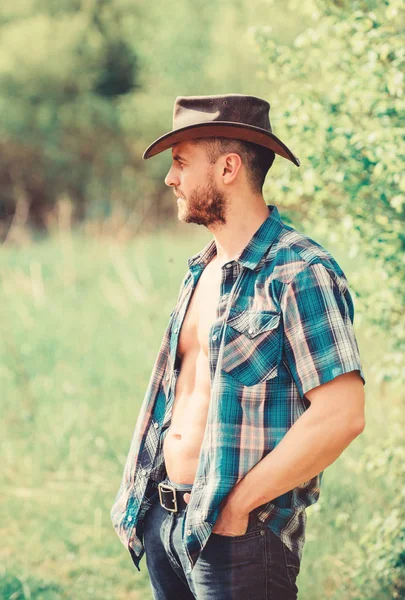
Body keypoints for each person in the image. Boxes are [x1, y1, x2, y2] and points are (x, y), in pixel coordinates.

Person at [110, 94, 366, 599]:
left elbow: (341, 414)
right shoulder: (202, 268)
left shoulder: (300, 271)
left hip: (240, 537)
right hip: (166, 520)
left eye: (181, 162)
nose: (170, 179)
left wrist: (237, 506)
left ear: (228, 167)